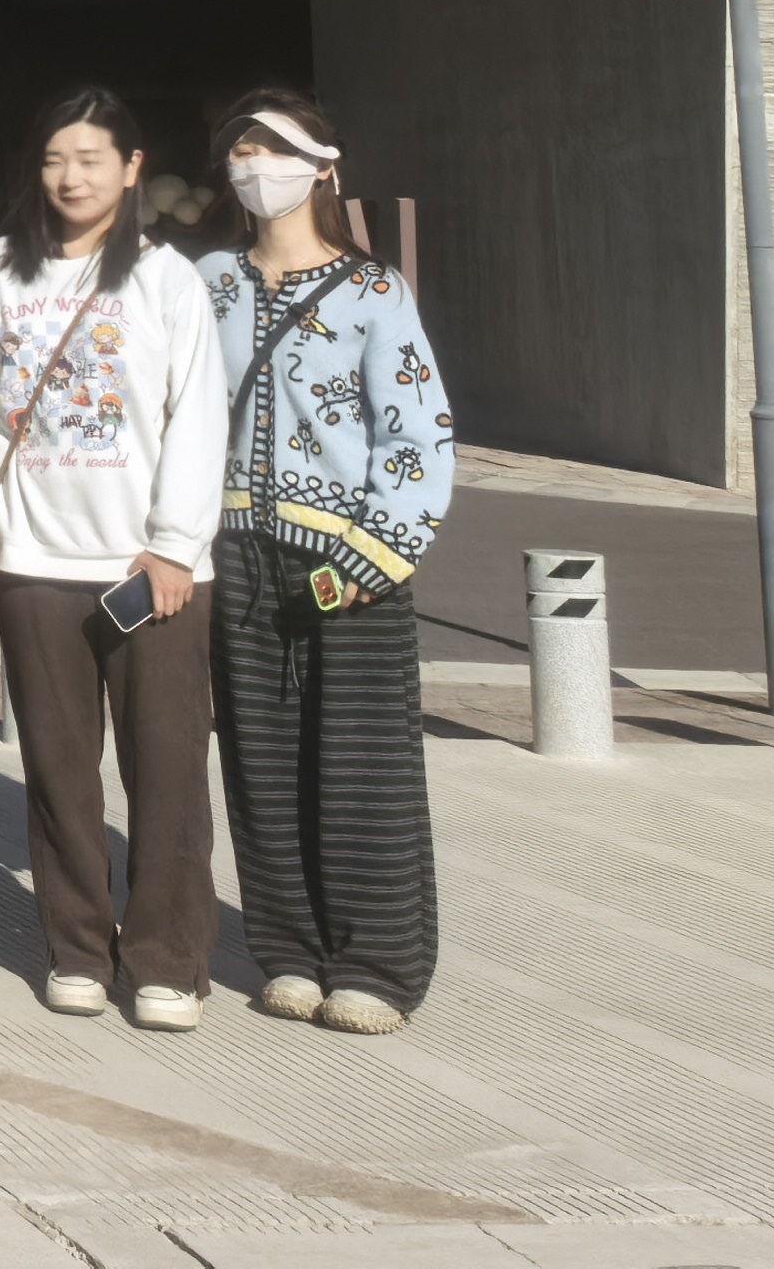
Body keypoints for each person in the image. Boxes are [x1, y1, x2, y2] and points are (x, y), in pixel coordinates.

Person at [0, 87, 227, 1031]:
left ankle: (167, 960)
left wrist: (175, 546)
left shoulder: (166, 279)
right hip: (33, 557)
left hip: (149, 568)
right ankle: (75, 949)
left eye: (93, 159)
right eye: (56, 159)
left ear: (133, 168)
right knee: (59, 770)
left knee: (167, 770)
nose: (71, 177)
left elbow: (199, 417)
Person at [198, 87, 450, 1036]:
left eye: (274, 148)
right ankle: (289, 950)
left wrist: (372, 555)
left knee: (361, 765)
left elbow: (418, 436)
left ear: (322, 168)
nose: (255, 166)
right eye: (240, 149)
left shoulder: (375, 292)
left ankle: (377, 962)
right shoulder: (206, 282)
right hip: (235, 552)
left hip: (348, 558)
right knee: (260, 761)